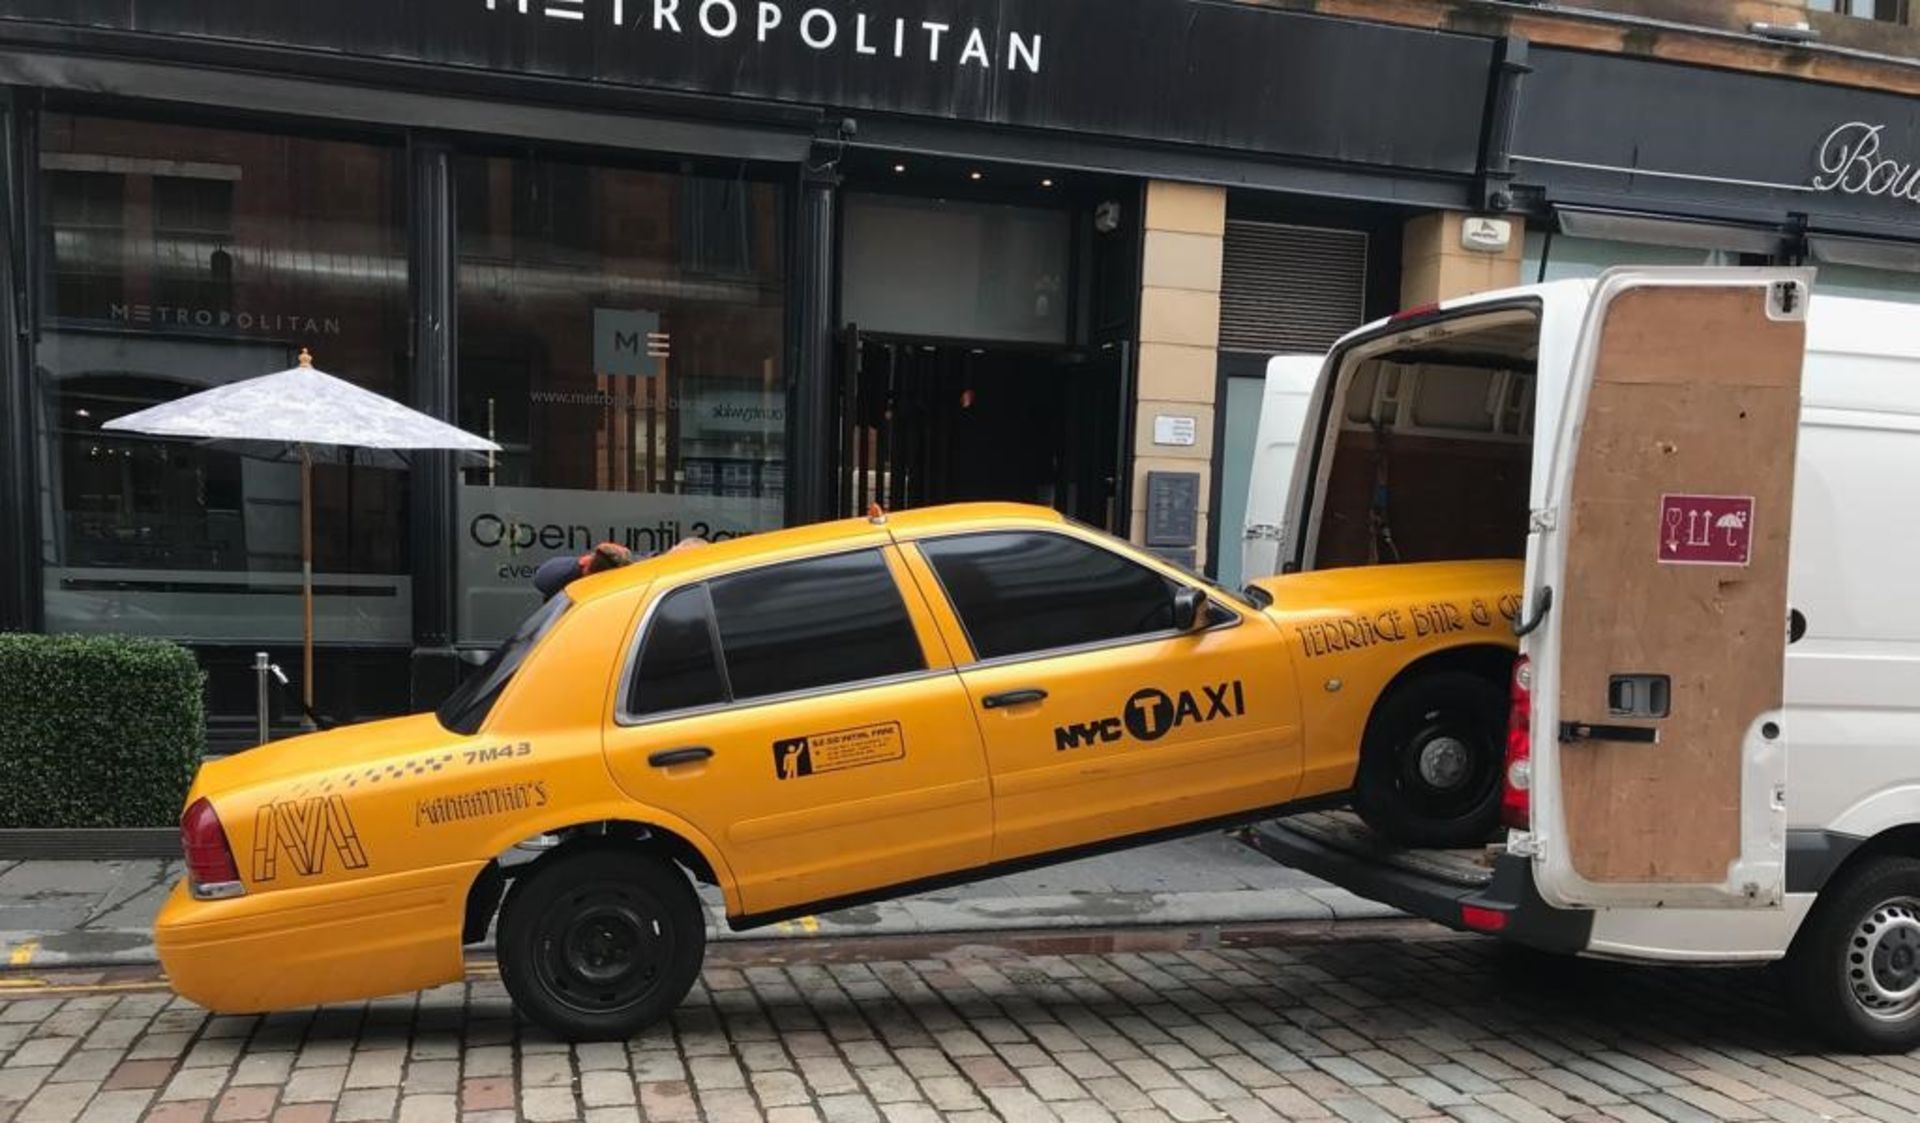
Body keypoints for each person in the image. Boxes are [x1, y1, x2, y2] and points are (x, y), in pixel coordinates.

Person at [530, 537, 708, 599]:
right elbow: (545, 577)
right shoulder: (636, 566)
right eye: (675, 561)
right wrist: (588, 564)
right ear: (673, 548)